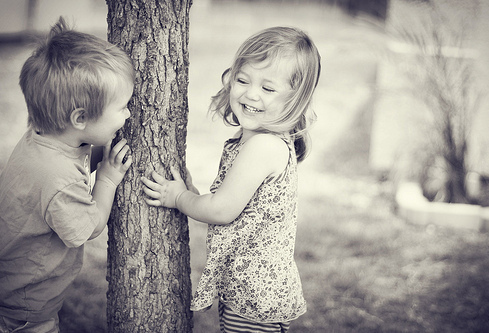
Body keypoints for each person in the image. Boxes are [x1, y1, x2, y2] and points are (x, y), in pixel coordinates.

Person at [142, 26, 321, 332]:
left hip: (254, 296)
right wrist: (195, 193)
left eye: (268, 88)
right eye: (243, 80)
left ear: (295, 101)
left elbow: (222, 210)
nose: (251, 94)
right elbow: (235, 207)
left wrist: (178, 198)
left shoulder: (263, 146)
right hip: (254, 290)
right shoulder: (260, 140)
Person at [0, 17, 134, 333]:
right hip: (27, 309)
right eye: (122, 107)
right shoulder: (59, 181)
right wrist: (108, 178)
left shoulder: (41, 137)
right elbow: (86, 228)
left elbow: (77, 153)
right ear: (80, 118)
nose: (129, 114)